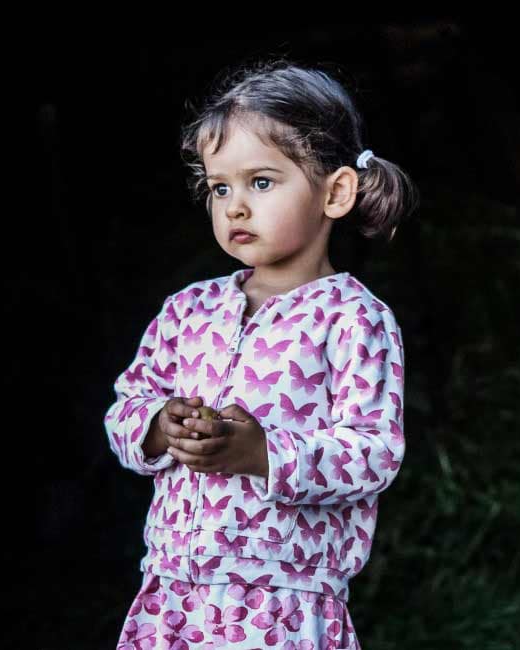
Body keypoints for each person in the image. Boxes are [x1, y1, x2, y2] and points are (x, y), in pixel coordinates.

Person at [105, 59, 416, 649]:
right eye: (221, 187)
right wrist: (157, 426)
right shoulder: (186, 309)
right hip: (174, 593)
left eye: (262, 182)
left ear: (337, 192)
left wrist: (263, 453)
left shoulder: (354, 318)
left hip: (282, 604)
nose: (235, 206)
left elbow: (374, 453)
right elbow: (125, 407)